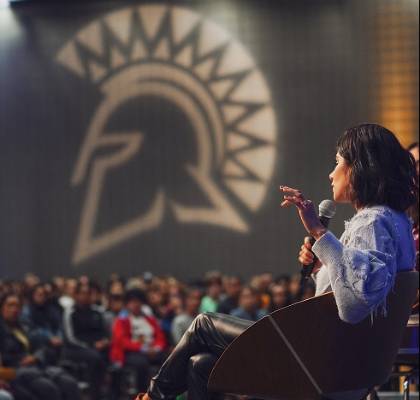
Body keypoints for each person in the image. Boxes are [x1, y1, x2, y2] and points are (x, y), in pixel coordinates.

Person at [136, 124, 417, 400]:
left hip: (322, 367)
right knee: (200, 365)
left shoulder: (371, 222)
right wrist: (325, 263)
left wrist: (319, 233)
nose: (331, 174)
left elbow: (355, 303)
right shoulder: (396, 221)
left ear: (359, 167)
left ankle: (151, 397)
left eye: (337, 163)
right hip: (345, 367)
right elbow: (366, 283)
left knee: (203, 325)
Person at [0, 293, 81, 400]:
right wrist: (21, 361)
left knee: (69, 383)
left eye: (18, 306)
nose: (14, 309)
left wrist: (36, 357)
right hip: (14, 371)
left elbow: (42, 347)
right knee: (48, 388)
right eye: (10, 305)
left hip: (36, 366)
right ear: (1, 308)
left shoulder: (25, 326)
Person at [110, 289, 167, 394]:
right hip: (132, 352)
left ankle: (165, 392)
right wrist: (142, 349)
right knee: (142, 364)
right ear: (127, 304)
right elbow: (122, 341)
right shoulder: (122, 320)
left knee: (170, 359)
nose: (136, 304)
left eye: (138, 302)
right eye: (132, 302)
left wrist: (156, 348)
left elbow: (160, 337)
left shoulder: (150, 319)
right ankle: (143, 394)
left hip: (152, 351)